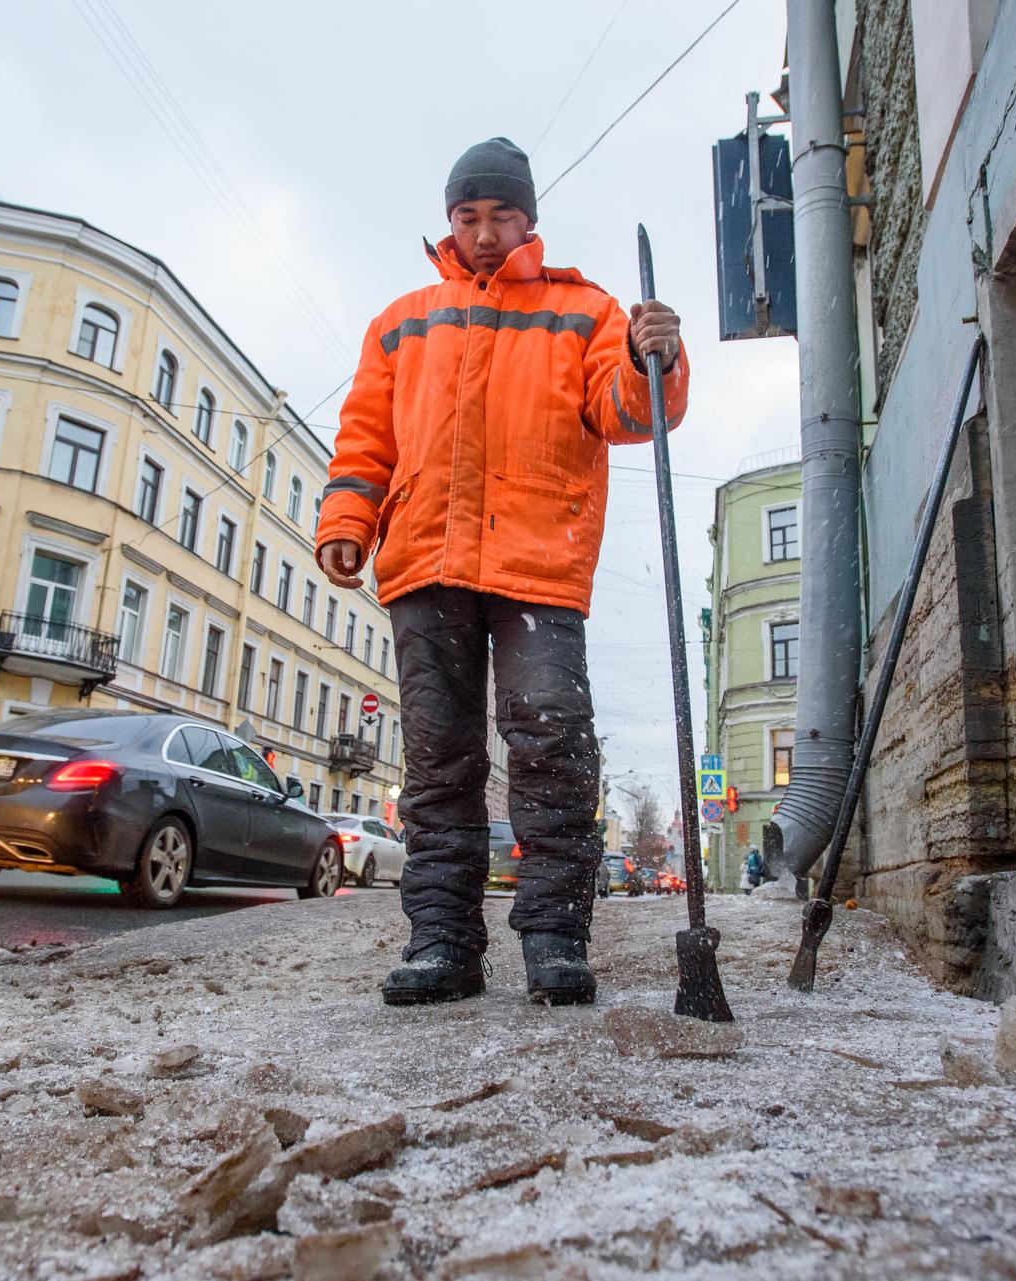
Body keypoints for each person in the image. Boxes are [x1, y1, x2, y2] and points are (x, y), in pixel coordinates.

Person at [316, 137, 688, 1007]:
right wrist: (346, 522)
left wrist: (647, 357)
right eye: (467, 216)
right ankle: (442, 941)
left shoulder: (586, 309)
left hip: (537, 563)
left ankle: (555, 938)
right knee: (439, 761)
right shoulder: (403, 320)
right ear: (450, 220)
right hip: (425, 561)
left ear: (529, 218)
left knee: (552, 748)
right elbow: (366, 437)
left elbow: (624, 412)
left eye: (501, 215)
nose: (484, 232)